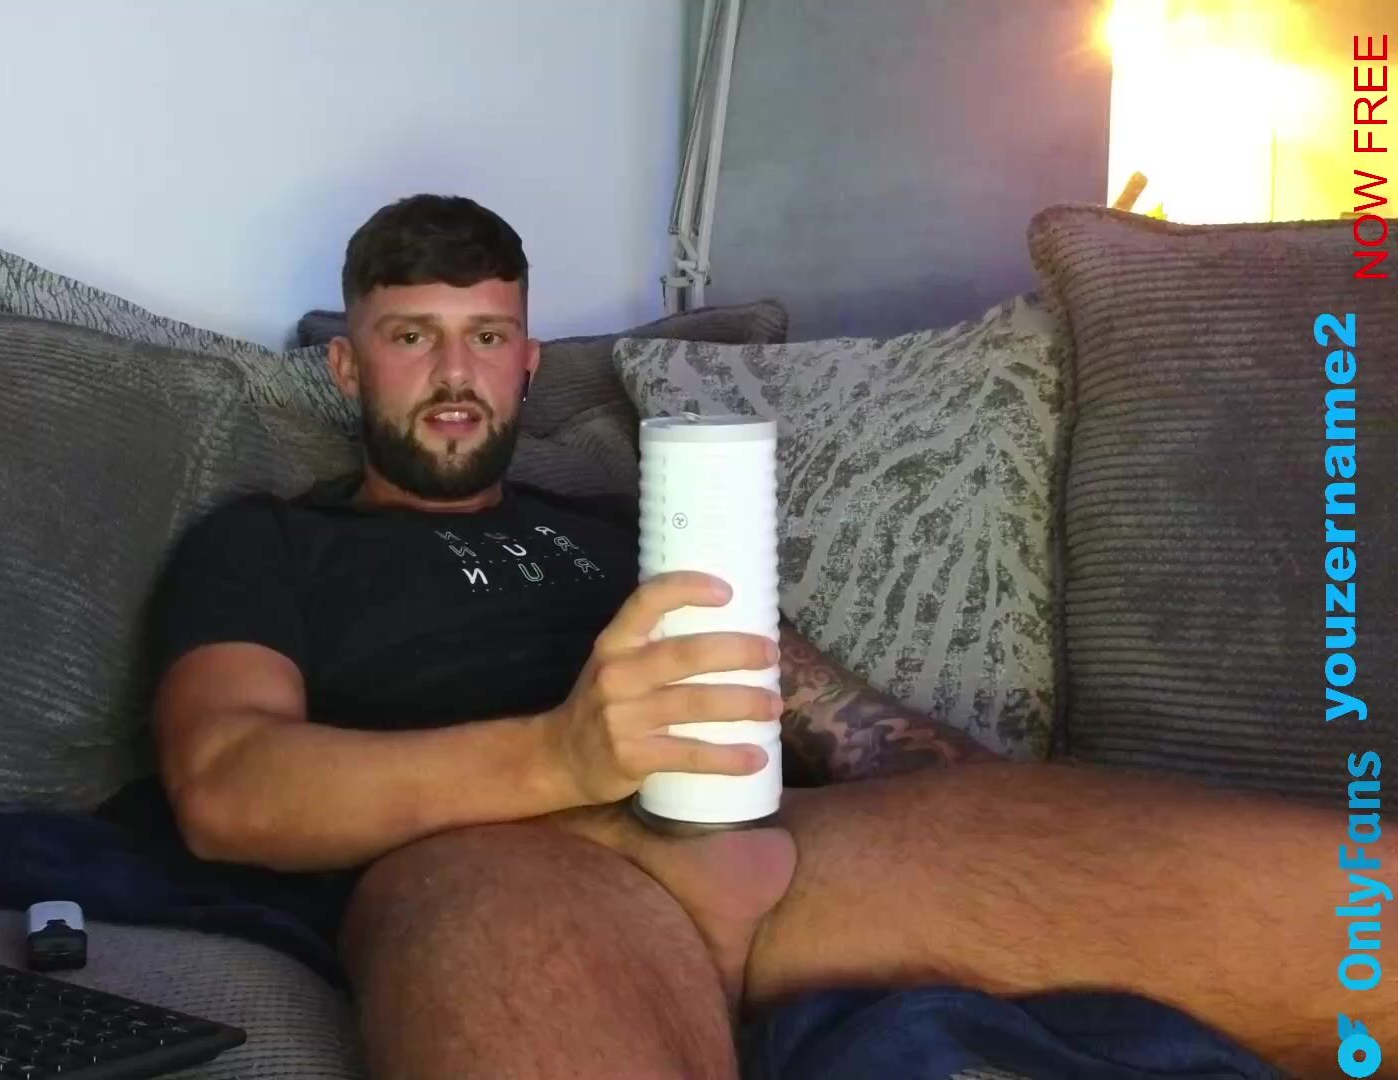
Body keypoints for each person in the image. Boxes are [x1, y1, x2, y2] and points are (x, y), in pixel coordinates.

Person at [133, 194, 1355, 1078]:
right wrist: (559, 759)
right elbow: (229, 786)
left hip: (786, 852)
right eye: (413, 337)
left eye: (487, 336)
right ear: (349, 367)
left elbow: (810, 698)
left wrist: (991, 803)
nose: (456, 373)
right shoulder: (268, 542)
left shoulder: (621, 528)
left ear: (527, 362)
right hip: (494, 866)